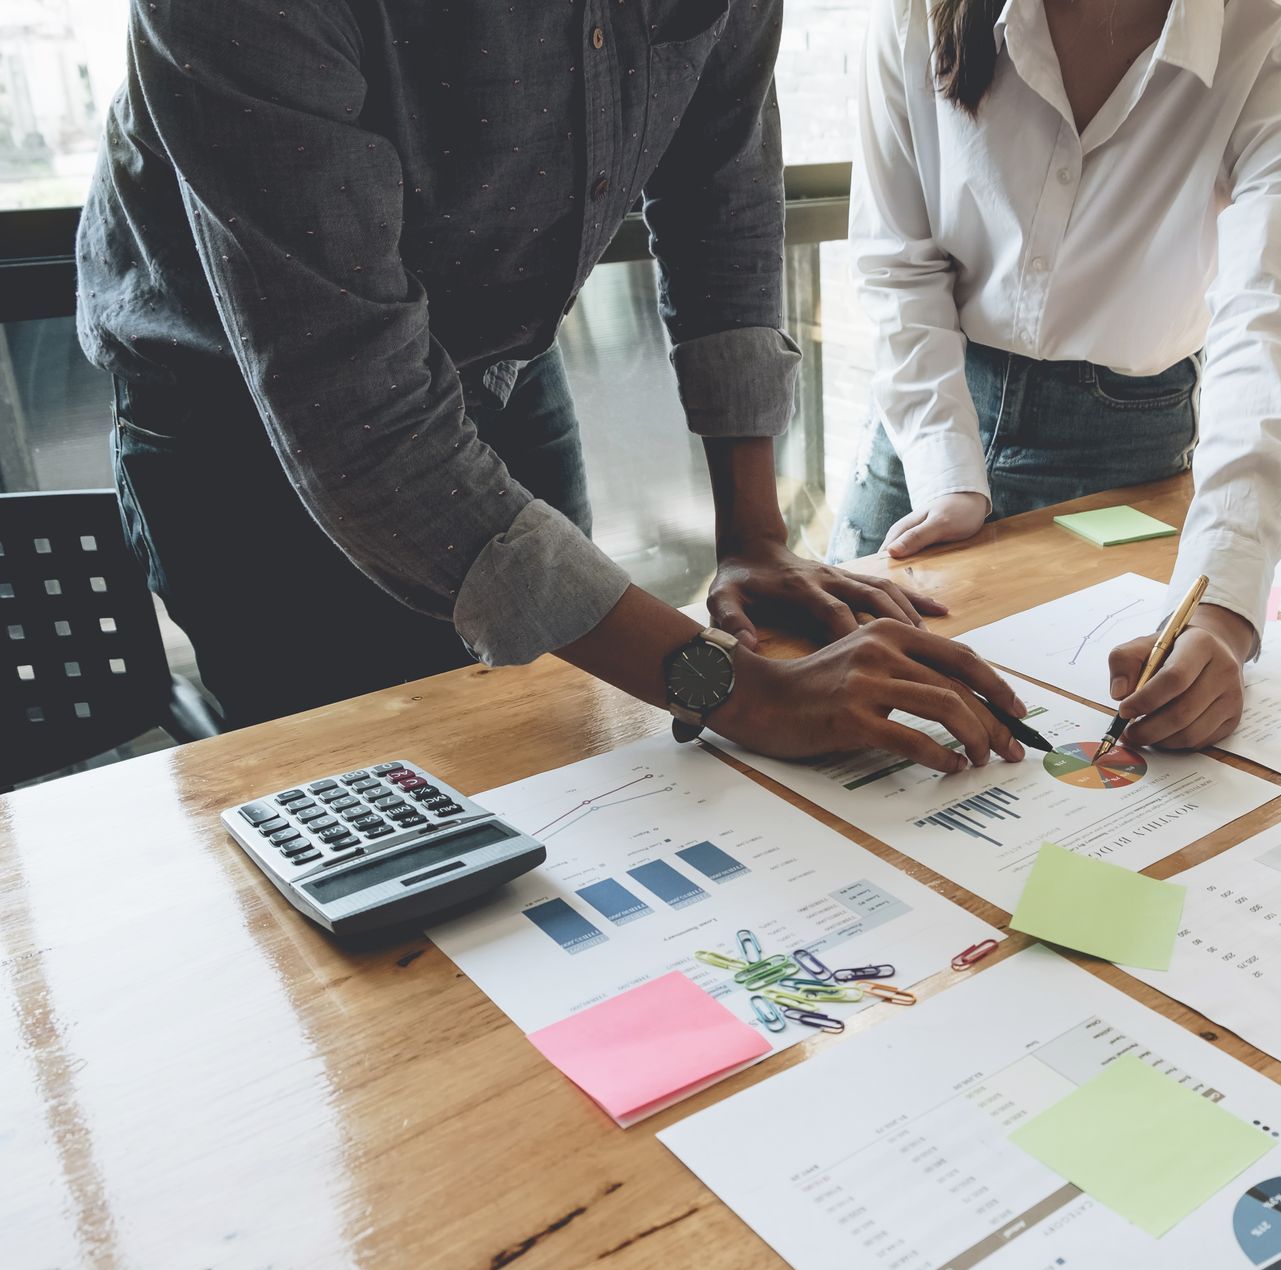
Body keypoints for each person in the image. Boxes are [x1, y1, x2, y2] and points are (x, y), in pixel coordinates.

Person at [76, 0, 1026, 773]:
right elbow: (359, 417)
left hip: (501, 367)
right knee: (371, 823)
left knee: (558, 750)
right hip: (242, 430)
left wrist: (755, 536)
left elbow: (721, 198)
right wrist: (747, 693)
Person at [835, 0, 1281, 750]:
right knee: (842, 729)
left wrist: (1224, 609)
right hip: (926, 422)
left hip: (1126, 444)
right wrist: (946, 469)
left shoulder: (1278, 39)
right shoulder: (917, 12)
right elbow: (898, 264)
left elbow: (1266, 324)